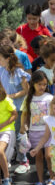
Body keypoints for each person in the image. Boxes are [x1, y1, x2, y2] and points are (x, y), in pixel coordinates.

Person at [21, 70, 53, 185]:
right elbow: (25, 114)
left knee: (49, 156)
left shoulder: (50, 97)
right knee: (38, 157)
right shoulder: (28, 99)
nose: (42, 87)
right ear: (33, 83)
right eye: (39, 84)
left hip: (48, 132)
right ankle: (40, 180)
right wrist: (23, 127)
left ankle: (52, 179)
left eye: (44, 84)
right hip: (34, 132)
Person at [0, 44, 31, 173]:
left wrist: (12, 95)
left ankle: (24, 161)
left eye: (0, 58)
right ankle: (7, 158)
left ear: (7, 58)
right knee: (8, 134)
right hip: (6, 108)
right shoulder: (1, 70)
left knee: (20, 135)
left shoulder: (19, 72)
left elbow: (26, 90)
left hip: (18, 109)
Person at [0, 85, 16, 185]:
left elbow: (15, 114)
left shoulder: (6, 100)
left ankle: (6, 177)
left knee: (0, 151)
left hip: (6, 129)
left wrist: (3, 124)